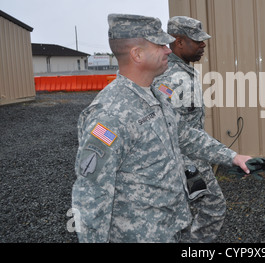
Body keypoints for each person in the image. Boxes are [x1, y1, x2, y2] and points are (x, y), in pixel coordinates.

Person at [71, 14, 252, 243]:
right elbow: (91, 195)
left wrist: (233, 157)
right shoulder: (109, 114)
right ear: (137, 54)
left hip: (173, 226)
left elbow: (184, 135)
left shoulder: (155, 95)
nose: (168, 50)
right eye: (159, 45)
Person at [153, 16, 225, 242]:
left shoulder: (182, 71)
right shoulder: (171, 77)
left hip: (193, 158)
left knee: (183, 217)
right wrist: (188, 170)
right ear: (179, 41)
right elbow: (166, 129)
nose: (203, 45)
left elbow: (188, 124)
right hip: (185, 163)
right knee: (213, 208)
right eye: (197, 40)